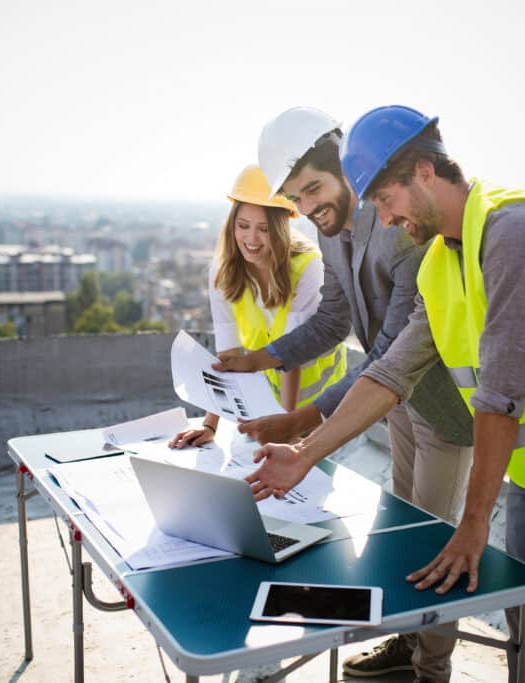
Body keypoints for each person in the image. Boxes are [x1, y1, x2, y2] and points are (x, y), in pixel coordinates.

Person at [245, 105, 525, 683]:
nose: (382, 216)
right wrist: (304, 456)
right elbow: (390, 373)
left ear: (425, 172)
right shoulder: (438, 263)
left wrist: (474, 522)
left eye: (385, 198)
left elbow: (500, 393)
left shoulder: (518, 232)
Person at [212, 107, 473, 683]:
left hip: (441, 411)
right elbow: (334, 317)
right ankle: (406, 645)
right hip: (396, 407)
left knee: (435, 549)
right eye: (295, 198)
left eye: (314, 189)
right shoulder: (334, 231)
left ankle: (433, 672)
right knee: (401, 535)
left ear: (345, 170)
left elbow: (388, 356)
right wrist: (262, 357)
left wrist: (304, 419)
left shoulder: (400, 231)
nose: (307, 208)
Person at [170, 164, 346, 448]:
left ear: (280, 227)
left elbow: (293, 353)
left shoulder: (307, 266)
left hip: (323, 407)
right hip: (271, 407)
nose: (251, 239)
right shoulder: (222, 270)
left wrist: (288, 431)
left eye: (263, 229)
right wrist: (209, 425)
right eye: (243, 226)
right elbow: (227, 357)